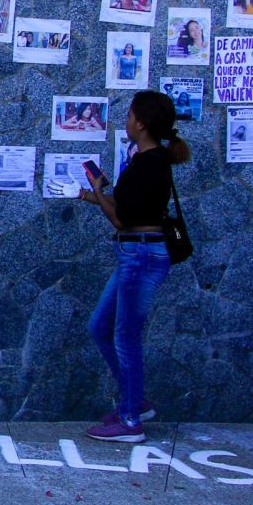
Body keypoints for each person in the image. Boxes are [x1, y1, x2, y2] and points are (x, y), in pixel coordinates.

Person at [78, 90, 189, 443]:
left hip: (140, 254)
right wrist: (83, 194)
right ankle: (135, 402)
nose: (125, 122)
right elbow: (127, 208)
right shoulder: (146, 160)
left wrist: (96, 189)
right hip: (135, 254)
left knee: (125, 336)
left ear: (141, 123)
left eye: (128, 116)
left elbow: (121, 221)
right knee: (100, 327)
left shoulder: (148, 163)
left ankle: (129, 420)